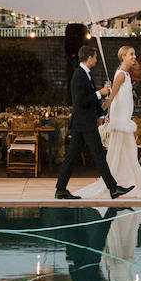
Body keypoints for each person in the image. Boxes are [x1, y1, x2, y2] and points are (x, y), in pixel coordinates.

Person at [76, 44, 141, 200]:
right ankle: (121, 185)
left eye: (134, 54)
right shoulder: (121, 74)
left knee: (126, 153)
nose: (134, 57)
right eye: (131, 54)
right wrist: (104, 111)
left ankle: (122, 183)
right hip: (120, 122)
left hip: (123, 121)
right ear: (124, 57)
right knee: (124, 153)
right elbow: (112, 97)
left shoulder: (126, 74)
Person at [55, 44, 133, 201]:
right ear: (89, 58)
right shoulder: (79, 76)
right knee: (98, 155)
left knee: (76, 156)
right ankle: (113, 189)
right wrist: (100, 93)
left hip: (84, 123)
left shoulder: (86, 75)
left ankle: (61, 189)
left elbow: (91, 101)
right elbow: (80, 102)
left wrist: (102, 115)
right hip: (83, 124)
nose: (97, 60)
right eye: (95, 57)